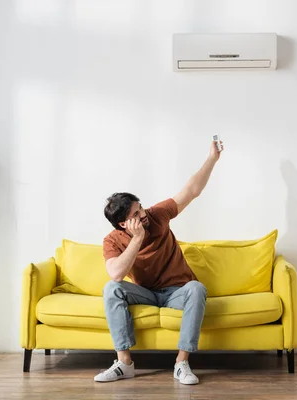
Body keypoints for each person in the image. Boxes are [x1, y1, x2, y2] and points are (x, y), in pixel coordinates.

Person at [94, 139, 224, 385]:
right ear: (123, 224)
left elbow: (191, 191)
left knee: (197, 287)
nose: (143, 214)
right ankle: (125, 363)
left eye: (140, 208)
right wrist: (137, 239)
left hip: (178, 292)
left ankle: (181, 363)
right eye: (135, 214)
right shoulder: (112, 240)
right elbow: (116, 274)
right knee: (112, 288)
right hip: (146, 293)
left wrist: (212, 159)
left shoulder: (157, 215)